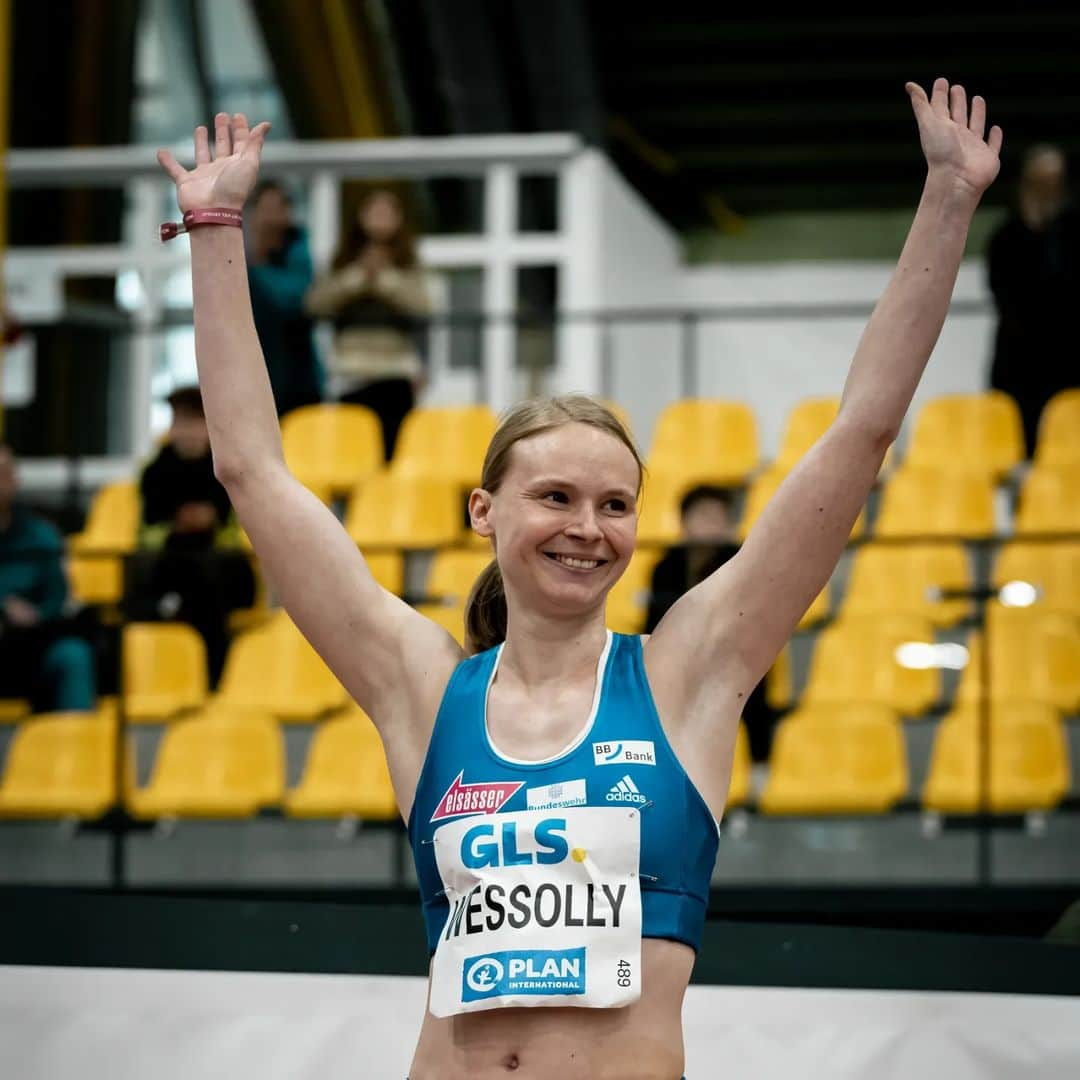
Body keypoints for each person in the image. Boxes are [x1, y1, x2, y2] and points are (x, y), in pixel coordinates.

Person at [156, 79, 1002, 1078]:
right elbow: (251, 468)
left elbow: (860, 432)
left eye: (614, 505)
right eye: (554, 497)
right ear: (486, 513)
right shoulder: (422, 687)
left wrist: (950, 198)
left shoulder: (689, 672)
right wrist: (214, 227)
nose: (587, 529)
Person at [124, 386, 254, 686]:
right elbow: (147, 531)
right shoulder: (154, 471)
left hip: (219, 567)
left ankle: (210, 683)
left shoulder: (228, 468)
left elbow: (234, 529)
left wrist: (209, 523)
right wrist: (177, 526)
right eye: (180, 422)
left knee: (206, 581)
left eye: (196, 422)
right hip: (170, 563)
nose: (187, 431)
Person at [644, 485, 777, 762]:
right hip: (678, 656)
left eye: (719, 517)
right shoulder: (664, 566)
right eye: (703, 515)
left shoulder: (741, 562)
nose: (711, 524)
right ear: (684, 521)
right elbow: (654, 622)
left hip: (731, 655)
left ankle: (756, 775)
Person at [303, 187, 431, 460]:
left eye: (388, 212)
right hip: (351, 375)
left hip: (395, 374)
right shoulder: (343, 261)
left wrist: (384, 279)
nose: (380, 219)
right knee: (352, 459)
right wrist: (358, 277)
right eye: (374, 211)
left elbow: (423, 305)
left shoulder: (409, 262)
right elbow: (316, 303)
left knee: (394, 458)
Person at [986, 143, 1080, 456]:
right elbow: (1007, 302)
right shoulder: (1005, 239)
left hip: (1070, 365)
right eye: (1039, 181)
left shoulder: (1072, 233)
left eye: (1054, 181)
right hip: (1020, 368)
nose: (1047, 190)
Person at [0, 445, 96, 712]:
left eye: (4, 473)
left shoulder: (41, 536)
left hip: (30, 643)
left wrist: (36, 614)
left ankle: (76, 745)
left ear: (16, 481)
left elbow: (58, 594)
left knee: (74, 655)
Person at [245, 179, 324, 417]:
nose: (270, 218)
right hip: (254, 369)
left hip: (296, 375)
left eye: (277, 209)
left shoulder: (298, 251)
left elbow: (294, 299)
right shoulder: (238, 253)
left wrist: (257, 267)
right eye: (264, 209)